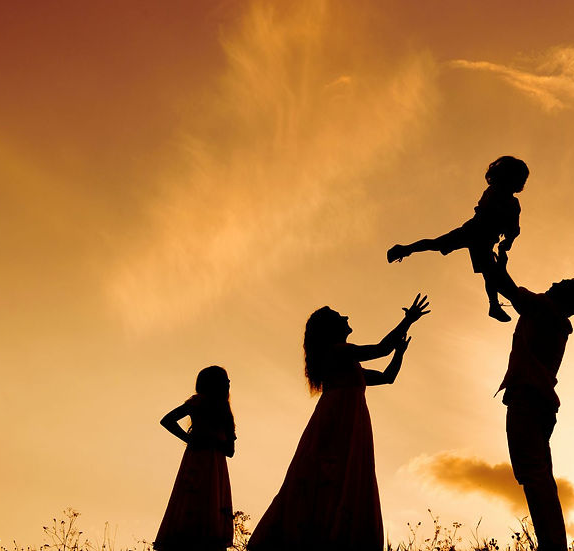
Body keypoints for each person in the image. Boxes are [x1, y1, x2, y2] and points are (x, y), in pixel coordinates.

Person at [247, 294, 430, 550]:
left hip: (346, 421)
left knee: (330, 478)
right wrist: (408, 320)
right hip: (339, 423)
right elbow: (380, 349)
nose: (346, 317)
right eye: (339, 317)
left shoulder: (344, 362)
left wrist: (399, 353)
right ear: (332, 330)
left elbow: (388, 377)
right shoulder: (339, 352)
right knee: (335, 475)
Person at [491, 251, 574, 551]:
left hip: (528, 400)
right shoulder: (551, 318)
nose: (556, 280)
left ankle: (552, 544)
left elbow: (507, 288)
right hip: (539, 403)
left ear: (566, 298)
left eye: (564, 282)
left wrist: (495, 266)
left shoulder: (544, 309)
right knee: (538, 475)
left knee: (533, 475)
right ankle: (553, 541)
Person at [387, 156, 528, 323]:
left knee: (488, 272)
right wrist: (505, 231)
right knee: (441, 245)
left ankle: (494, 305)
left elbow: (514, 229)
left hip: (484, 238)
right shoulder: (494, 192)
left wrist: (507, 241)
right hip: (475, 231)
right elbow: (489, 212)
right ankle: (405, 249)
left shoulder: (513, 204)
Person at [154, 365, 236, 551]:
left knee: (203, 502)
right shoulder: (201, 403)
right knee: (197, 500)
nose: (229, 383)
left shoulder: (221, 409)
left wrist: (199, 439)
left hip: (212, 463)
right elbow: (167, 420)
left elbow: (230, 450)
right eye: (225, 380)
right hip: (202, 462)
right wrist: (191, 439)